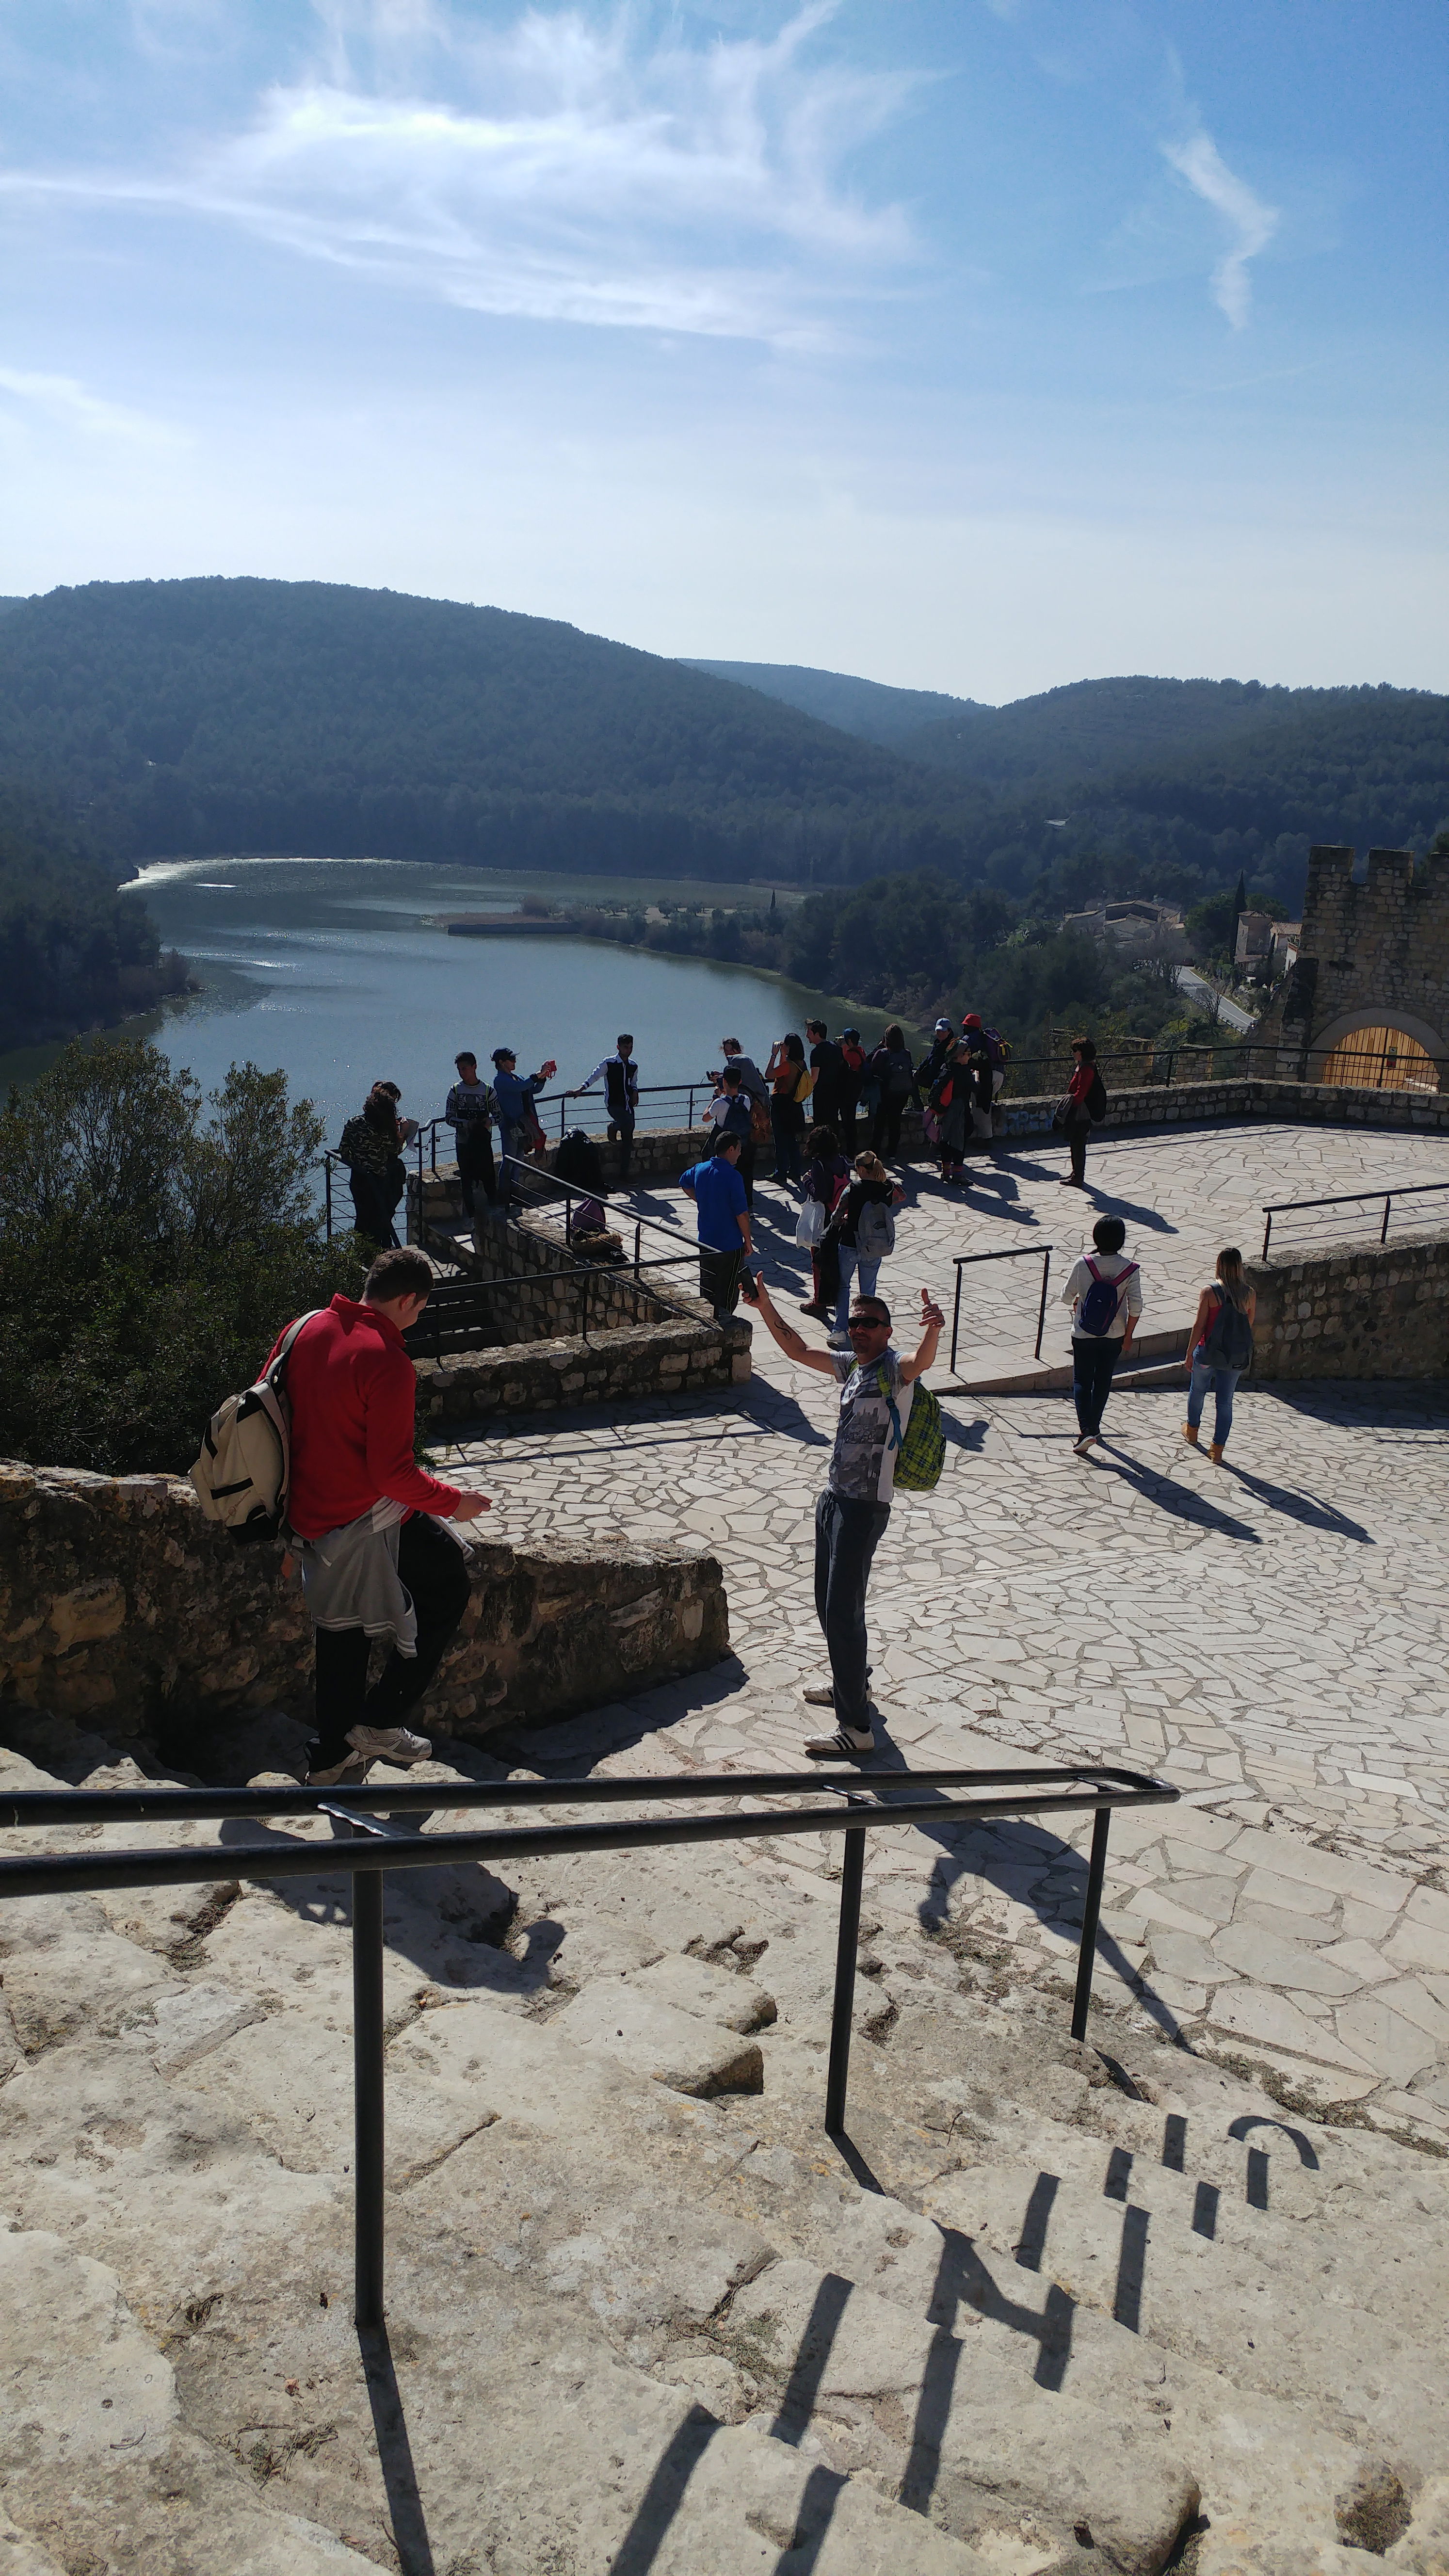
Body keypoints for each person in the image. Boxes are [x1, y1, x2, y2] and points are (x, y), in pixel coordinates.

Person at [272, 1245, 492, 1787]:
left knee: (339, 1629)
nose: (415, 1322)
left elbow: (273, 1426)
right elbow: (393, 1474)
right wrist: (453, 1503)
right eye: (418, 1311)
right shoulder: (387, 1361)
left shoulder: (302, 1329)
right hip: (363, 1516)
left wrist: (285, 1532)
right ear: (407, 1299)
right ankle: (380, 1721)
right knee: (447, 1586)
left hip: (309, 1515)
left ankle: (329, 1755)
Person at [741, 1273, 945, 1757]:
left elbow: (923, 1360)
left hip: (864, 1506)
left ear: (887, 1330)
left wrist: (934, 1328)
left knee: (843, 1610)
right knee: (828, 1604)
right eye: (855, 1321)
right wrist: (766, 1304)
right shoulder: (853, 1366)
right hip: (834, 1498)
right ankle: (852, 1683)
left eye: (870, 1323)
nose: (860, 1329)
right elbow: (796, 1349)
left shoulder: (894, 1368)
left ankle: (856, 1728)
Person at [1061, 1214, 1142, 1456]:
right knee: (1103, 1381)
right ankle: (1093, 1428)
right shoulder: (1130, 1269)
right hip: (1115, 1334)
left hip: (1085, 1332)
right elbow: (1136, 1307)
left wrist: (1078, 1300)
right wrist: (1128, 1336)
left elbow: (1066, 1297)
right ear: (1121, 1240)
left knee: (1082, 1381)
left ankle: (1087, 1429)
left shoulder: (1083, 1264)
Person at [1183, 1248, 1256, 1463]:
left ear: (1219, 1265)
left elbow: (1200, 1326)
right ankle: (1217, 1450)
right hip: (1234, 1357)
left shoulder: (1209, 1292)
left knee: (1198, 1390)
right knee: (1225, 1402)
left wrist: (1189, 1352)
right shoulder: (1249, 1294)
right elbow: (1248, 1326)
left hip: (1207, 1353)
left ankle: (1192, 1430)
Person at [827, 1151, 904, 1346]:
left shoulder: (853, 1188)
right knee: (868, 1292)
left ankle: (840, 1330)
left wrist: (845, 1219)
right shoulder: (887, 1188)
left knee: (843, 1286)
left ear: (861, 1169)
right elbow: (901, 1196)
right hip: (874, 1246)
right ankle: (869, 1328)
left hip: (850, 1244)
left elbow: (836, 1217)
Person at [680, 1131, 754, 1321]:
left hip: (706, 1241)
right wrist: (748, 1241)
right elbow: (742, 1214)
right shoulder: (733, 1176)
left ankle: (706, 1323)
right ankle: (725, 1326)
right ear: (731, 1149)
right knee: (728, 1292)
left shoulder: (700, 1169)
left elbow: (684, 1182)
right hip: (730, 1245)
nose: (740, 1153)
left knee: (707, 1287)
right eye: (738, 1149)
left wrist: (701, 1199)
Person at [336, 1086, 404, 1246]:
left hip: (359, 1179)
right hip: (380, 1181)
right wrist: (401, 1133)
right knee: (381, 1217)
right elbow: (395, 1150)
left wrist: (360, 1161)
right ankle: (382, 1250)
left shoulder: (354, 1123)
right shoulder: (384, 1129)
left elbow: (343, 1151)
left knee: (363, 1218)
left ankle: (361, 1253)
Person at [491, 1047, 557, 1201]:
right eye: (511, 1059)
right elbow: (520, 1088)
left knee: (519, 1159)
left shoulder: (517, 1077)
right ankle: (504, 1194)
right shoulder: (500, 1080)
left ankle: (513, 1192)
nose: (514, 1061)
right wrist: (537, 1075)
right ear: (502, 1063)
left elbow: (533, 1089)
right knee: (509, 1160)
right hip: (510, 1126)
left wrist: (542, 1077)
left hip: (523, 1125)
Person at [800, 1123, 850, 1320]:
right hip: (840, 1215)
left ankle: (819, 1301)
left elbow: (821, 1194)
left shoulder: (819, 1165)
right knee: (835, 1259)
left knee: (818, 1259)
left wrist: (807, 1182)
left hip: (824, 1217)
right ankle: (833, 1297)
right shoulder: (842, 1161)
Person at [573, 1035, 639, 1180]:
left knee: (628, 1139)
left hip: (628, 1105)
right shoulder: (609, 1063)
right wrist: (581, 1089)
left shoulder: (633, 1066)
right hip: (614, 1104)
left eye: (631, 1047)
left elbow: (633, 1082)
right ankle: (613, 1127)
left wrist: (635, 1092)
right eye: (626, 1047)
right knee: (626, 1124)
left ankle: (624, 1174)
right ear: (618, 1047)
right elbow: (595, 1076)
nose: (628, 1050)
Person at [444, 1051, 496, 1219]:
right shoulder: (455, 1091)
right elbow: (449, 1118)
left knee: (488, 1177)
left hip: (483, 1143)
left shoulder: (488, 1091)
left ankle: (495, 1214)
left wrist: (489, 1121)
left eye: (465, 1069)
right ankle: (471, 1216)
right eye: (460, 1070)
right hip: (464, 1143)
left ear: (475, 1067)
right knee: (466, 1180)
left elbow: (499, 1116)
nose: (462, 1073)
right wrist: (467, 1124)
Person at [703, 1065, 757, 1204]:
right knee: (745, 1176)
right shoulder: (746, 1100)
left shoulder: (719, 1103)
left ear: (724, 1081)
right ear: (740, 1082)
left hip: (725, 1147)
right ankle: (747, 1206)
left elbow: (705, 1118)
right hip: (743, 1144)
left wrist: (716, 1095)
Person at [1058, 1036, 1104, 1188]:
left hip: (1081, 1112)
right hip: (1080, 1110)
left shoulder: (1086, 1069)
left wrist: (1070, 1106)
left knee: (1078, 1143)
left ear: (1082, 1053)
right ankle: (1075, 1174)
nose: (1073, 1053)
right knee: (1075, 1142)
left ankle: (1078, 1176)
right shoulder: (1085, 1066)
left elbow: (1081, 1092)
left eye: (1075, 1051)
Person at [766, 1034, 811, 1188]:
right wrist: (783, 1055)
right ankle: (795, 1170)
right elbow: (783, 1074)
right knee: (791, 1140)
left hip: (781, 1105)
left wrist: (774, 1054)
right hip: (794, 1104)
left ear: (790, 1047)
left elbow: (770, 1074)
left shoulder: (788, 1066)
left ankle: (781, 1172)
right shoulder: (801, 1064)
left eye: (785, 1044)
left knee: (781, 1139)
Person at [868, 1024, 918, 1160]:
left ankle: (875, 1152)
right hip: (902, 1093)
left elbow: (872, 1067)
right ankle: (892, 1153)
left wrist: (879, 1047)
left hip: (886, 1092)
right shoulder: (906, 1053)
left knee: (880, 1123)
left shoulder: (883, 1053)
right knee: (895, 1121)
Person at [806, 1020, 846, 1134]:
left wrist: (803, 1090)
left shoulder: (816, 1053)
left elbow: (814, 1078)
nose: (807, 1036)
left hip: (822, 1096)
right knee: (833, 1125)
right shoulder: (835, 1048)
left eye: (809, 1032)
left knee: (821, 1128)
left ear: (817, 1034)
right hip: (836, 1093)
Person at [837, 1030, 867, 1157]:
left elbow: (841, 1061)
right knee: (851, 1121)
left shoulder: (850, 1054)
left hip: (848, 1093)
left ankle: (850, 1152)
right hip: (856, 1091)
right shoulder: (861, 1051)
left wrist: (841, 1047)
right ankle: (851, 1150)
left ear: (849, 1041)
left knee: (848, 1122)